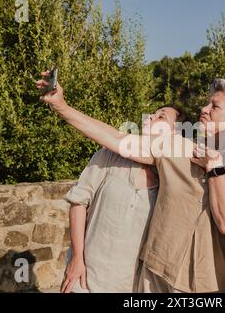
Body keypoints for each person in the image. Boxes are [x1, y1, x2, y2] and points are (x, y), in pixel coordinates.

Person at [36, 73, 225, 292]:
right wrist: (61, 106)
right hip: (156, 276)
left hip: (210, 286)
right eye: (207, 103)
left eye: (215, 106)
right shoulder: (175, 146)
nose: (204, 109)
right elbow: (116, 138)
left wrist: (215, 167)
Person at [60, 105, 184, 293]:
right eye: (153, 113)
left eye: (161, 117)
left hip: (130, 284)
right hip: (85, 279)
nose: (150, 116)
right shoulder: (109, 155)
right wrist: (77, 258)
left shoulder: (171, 176)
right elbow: (79, 202)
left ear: (175, 133)